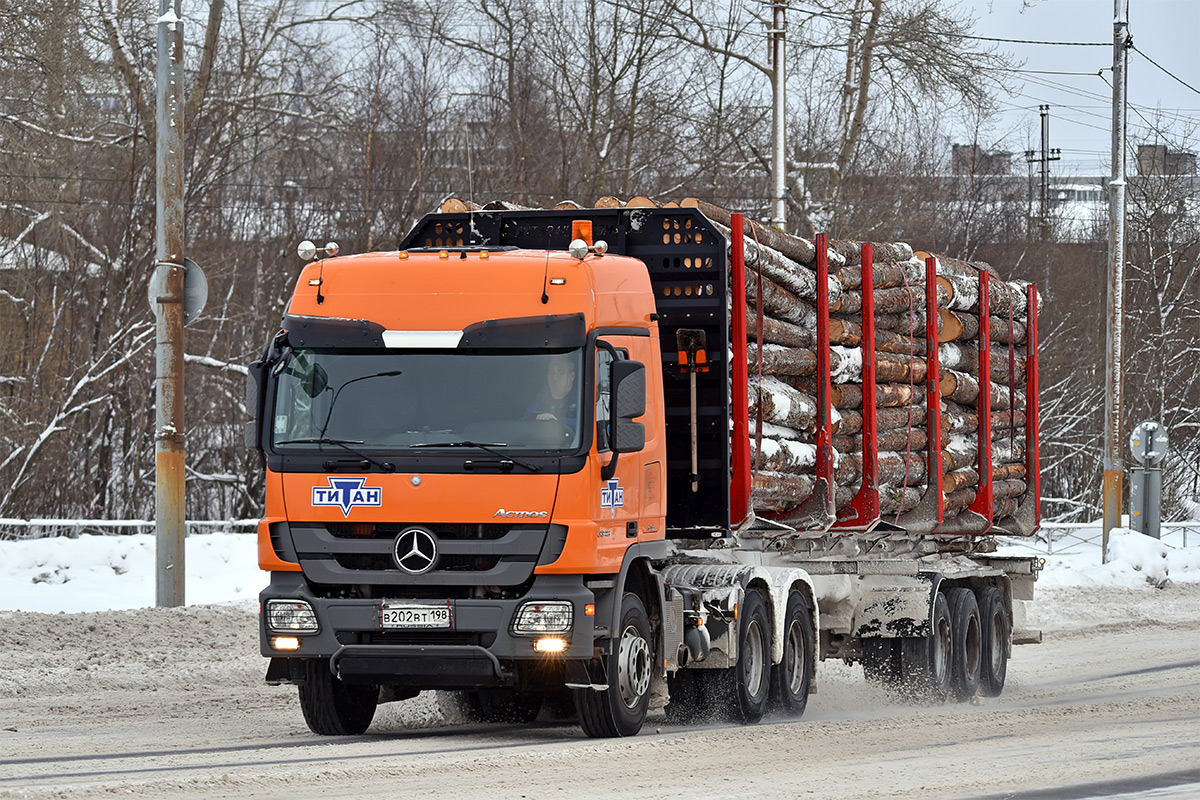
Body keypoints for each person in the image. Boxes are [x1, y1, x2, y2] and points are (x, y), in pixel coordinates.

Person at [524, 354, 578, 433]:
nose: (555, 378)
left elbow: (587, 427)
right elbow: (525, 422)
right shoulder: (540, 399)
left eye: (561, 372)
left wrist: (556, 422)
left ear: (572, 376)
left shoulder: (582, 399)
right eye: (551, 372)